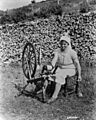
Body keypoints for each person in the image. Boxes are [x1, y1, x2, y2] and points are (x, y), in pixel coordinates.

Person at [46, 34, 83, 103]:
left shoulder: (72, 52)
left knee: (60, 77)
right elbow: (54, 59)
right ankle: (45, 91)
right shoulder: (57, 51)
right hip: (60, 68)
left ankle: (54, 96)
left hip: (70, 69)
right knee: (49, 75)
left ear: (68, 44)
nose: (63, 46)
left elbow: (77, 64)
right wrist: (51, 66)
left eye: (65, 44)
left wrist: (79, 75)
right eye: (61, 44)